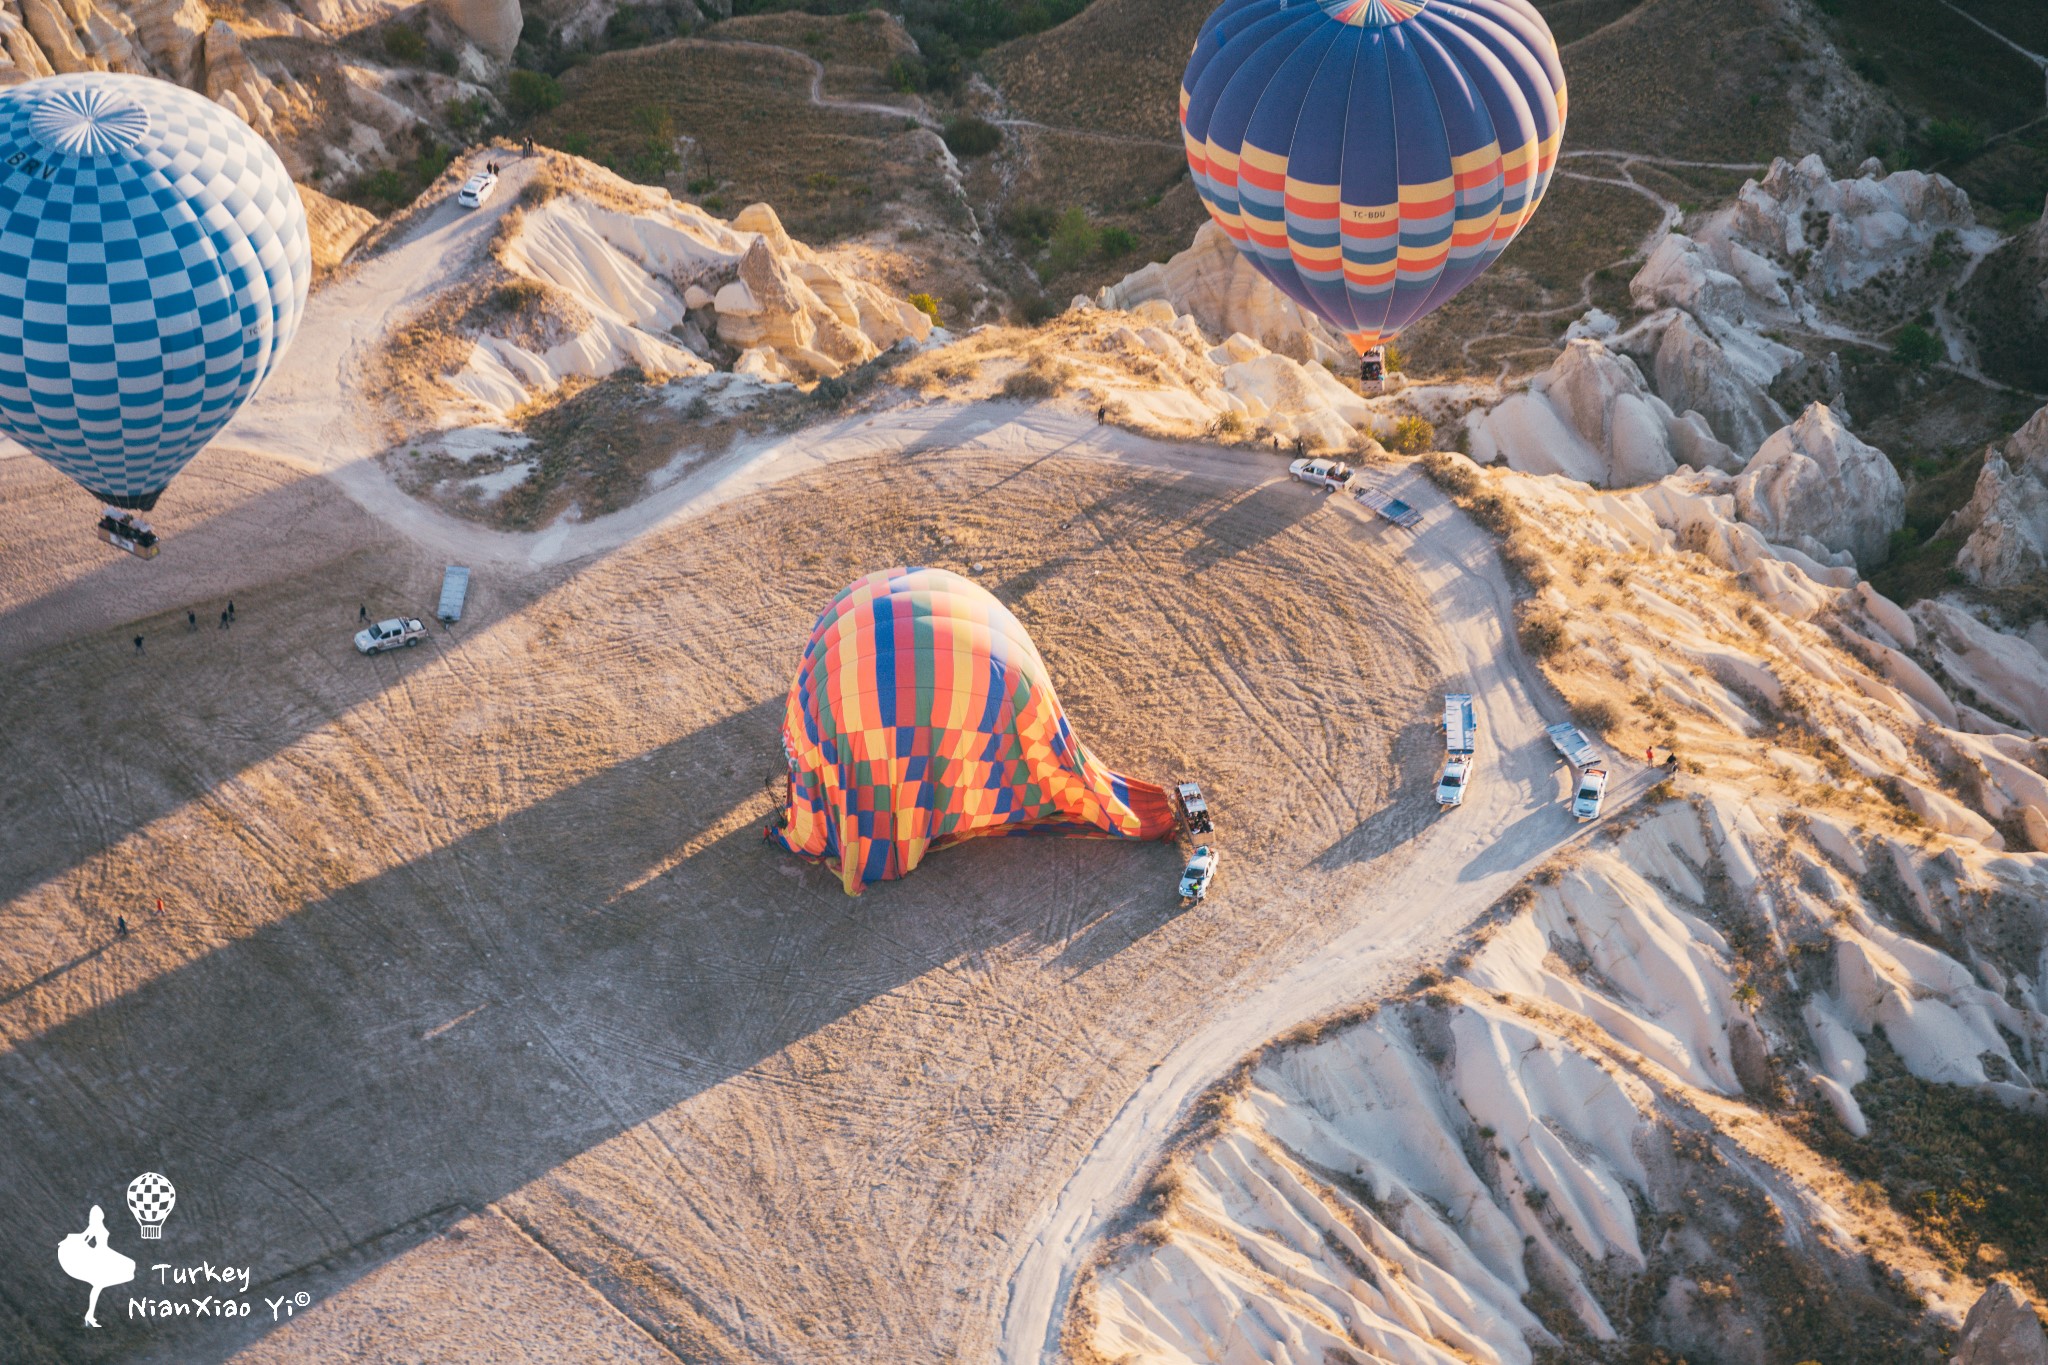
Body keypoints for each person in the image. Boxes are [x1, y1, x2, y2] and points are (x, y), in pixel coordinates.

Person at [57, 1205, 134, 1327]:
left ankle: (90, 1315)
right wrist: (70, 1241)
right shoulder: (94, 1227)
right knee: (103, 1282)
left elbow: (85, 1237)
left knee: (100, 1284)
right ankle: (89, 1315)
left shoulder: (97, 1225)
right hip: (101, 1254)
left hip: (104, 1252)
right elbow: (84, 1238)